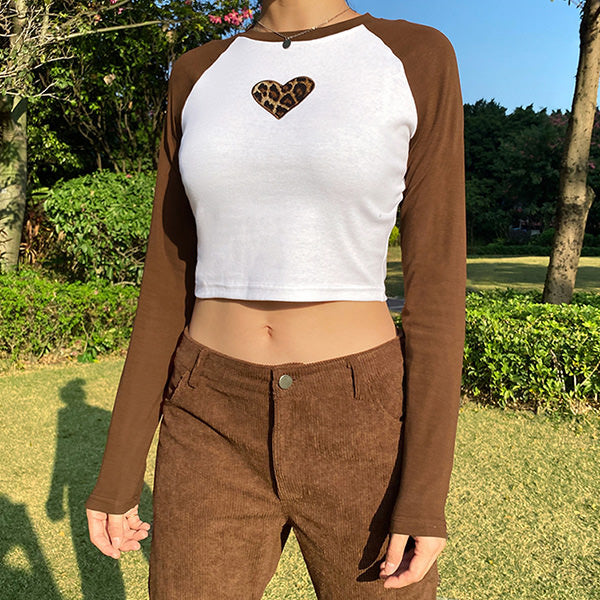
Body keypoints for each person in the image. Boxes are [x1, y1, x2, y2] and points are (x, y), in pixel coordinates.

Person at [85, 1, 467, 598]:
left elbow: (437, 287)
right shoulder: (196, 72)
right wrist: (119, 470)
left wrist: (423, 493)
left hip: (359, 416)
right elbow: (165, 279)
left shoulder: (416, 56)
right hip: (208, 414)